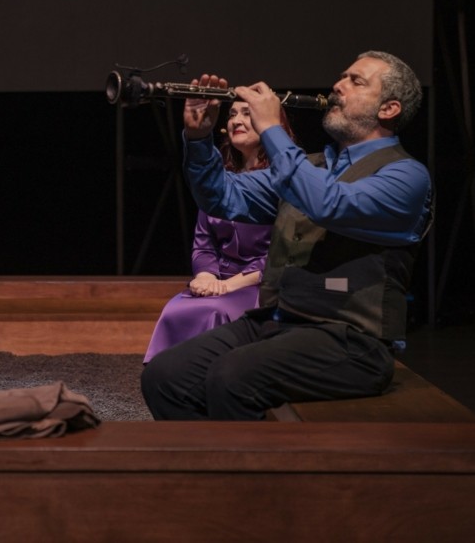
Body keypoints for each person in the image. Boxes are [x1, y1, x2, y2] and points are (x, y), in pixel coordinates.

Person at [141, 50, 433, 421]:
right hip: (279, 322)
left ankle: (248, 460)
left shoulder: (406, 176)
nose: (338, 86)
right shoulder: (309, 165)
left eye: (355, 81)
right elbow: (219, 196)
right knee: (165, 376)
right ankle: (213, 459)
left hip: (352, 341)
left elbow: (329, 204)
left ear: (388, 109)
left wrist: (271, 129)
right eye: (342, 76)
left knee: (231, 377)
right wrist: (198, 137)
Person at [142, 100, 296, 364]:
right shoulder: (220, 182)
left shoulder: (285, 181)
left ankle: (211, 379)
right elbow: (203, 243)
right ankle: (169, 380)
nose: (236, 120)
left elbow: (283, 253)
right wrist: (205, 275)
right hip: (217, 281)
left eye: (247, 114)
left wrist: (229, 285)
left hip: (261, 285)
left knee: (215, 310)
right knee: (175, 309)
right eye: (232, 114)